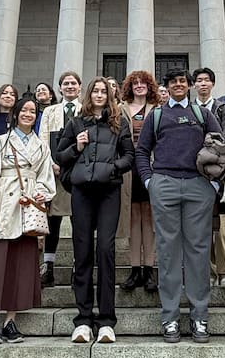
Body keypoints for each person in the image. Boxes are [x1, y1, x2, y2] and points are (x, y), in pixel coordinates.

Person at [135, 69, 222, 344]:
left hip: (199, 185)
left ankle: (199, 315)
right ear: (167, 87)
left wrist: (215, 184)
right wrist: (150, 181)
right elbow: (141, 150)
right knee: (168, 251)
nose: (179, 86)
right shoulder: (157, 115)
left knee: (198, 251)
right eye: (173, 83)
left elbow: (221, 147)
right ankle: (170, 316)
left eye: (183, 82)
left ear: (190, 86)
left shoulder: (203, 114)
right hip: (165, 183)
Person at [0, 94, 55, 343]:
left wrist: (42, 192)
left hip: (27, 209)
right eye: (24, 110)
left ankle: (10, 321)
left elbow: (46, 177)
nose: (28, 114)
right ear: (15, 114)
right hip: (3, 206)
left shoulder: (41, 146)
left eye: (32, 111)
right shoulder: (2, 142)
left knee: (20, 264)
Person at [56, 77, 135, 343]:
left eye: (104, 91)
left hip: (108, 191)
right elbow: (60, 155)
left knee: (105, 250)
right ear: (89, 95)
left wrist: (113, 168)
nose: (100, 94)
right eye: (96, 91)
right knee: (83, 251)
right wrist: (77, 147)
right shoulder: (76, 123)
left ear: (109, 96)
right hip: (82, 192)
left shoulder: (118, 122)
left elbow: (130, 156)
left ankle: (107, 321)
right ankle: (83, 319)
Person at [192, 67, 225, 288]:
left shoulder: (222, 109)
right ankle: (207, 270)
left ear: (212, 84)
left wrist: (219, 170)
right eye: (198, 80)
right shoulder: (190, 110)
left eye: (206, 80)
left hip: (221, 172)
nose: (202, 84)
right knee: (202, 223)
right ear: (194, 85)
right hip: (195, 173)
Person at [38, 70, 83, 286]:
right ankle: (48, 266)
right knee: (52, 221)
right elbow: (43, 140)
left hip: (79, 174)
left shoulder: (86, 110)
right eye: (66, 84)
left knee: (79, 221)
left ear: (80, 87)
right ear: (60, 88)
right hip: (55, 173)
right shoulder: (50, 112)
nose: (70, 86)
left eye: (73, 83)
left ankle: (78, 266)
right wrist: (51, 164)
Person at [120, 70, 161, 293]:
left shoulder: (158, 109)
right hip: (128, 168)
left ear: (149, 86)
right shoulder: (120, 109)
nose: (139, 86)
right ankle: (135, 269)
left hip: (152, 166)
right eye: (135, 83)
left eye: (143, 83)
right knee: (133, 218)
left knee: (150, 218)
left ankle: (149, 269)